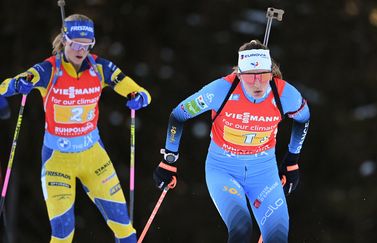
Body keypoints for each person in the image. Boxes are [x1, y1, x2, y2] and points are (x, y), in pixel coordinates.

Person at [0, 14, 151, 242]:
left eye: (86, 45)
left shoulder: (100, 68)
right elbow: (6, 86)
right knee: (63, 234)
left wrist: (138, 97)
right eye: (75, 44)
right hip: (57, 160)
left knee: (125, 231)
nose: (81, 51)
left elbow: (140, 92)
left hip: (94, 158)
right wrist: (17, 86)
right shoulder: (48, 70)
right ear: (64, 40)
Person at [152, 39, 310, 242]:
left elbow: (303, 119)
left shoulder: (285, 94)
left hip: (264, 174)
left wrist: (292, 159)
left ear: (271, 74)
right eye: (250, 77)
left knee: (278, 237)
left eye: (262, 75)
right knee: (241, 228)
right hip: (223, 170)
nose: (257, 83)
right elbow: (179, 115)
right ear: (239, 74)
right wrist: (169, 160)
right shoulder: (220, 90)